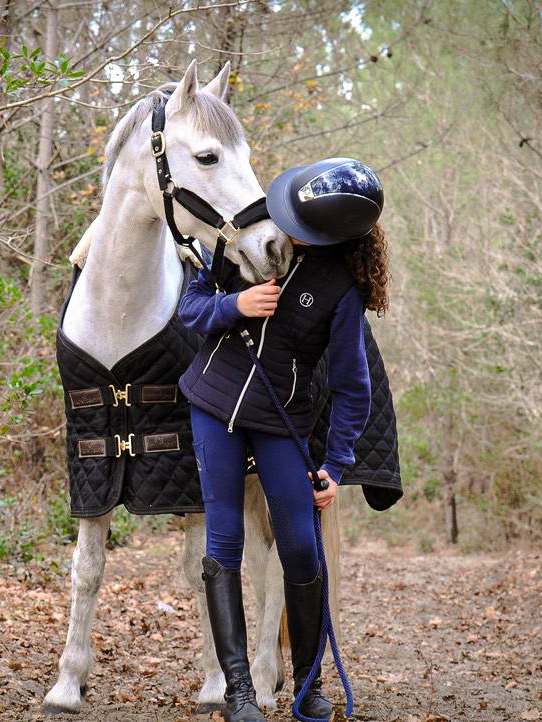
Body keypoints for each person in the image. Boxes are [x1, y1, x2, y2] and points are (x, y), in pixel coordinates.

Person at [177, 157, 390, 722]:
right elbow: (190, 309)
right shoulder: (238, 244)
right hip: (215, 406)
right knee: (224, 542)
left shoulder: (340, 289)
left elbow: (352, 387)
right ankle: (239, 691)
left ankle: (307, 685)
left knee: (299, 544)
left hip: (281, 421)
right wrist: (234, 305)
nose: (284, 224)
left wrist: (337, 467)